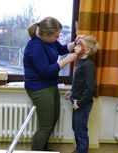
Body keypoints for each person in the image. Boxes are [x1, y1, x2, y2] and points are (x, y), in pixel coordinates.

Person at [23, 16, 77, 151]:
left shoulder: (50, 41)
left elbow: (63, 49)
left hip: (50, 85)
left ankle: (43, 150)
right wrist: (67, 60)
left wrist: (76, 43)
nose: (58, 37)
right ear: (46, 35)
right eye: (56, 35)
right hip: (38, 87)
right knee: (45, 126)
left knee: (52, 121)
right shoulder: (35, 46)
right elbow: (45, 71)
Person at [64, 35, 99, 153]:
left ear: (87, 50)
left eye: (79, 46)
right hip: (76, 101)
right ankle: (79, 149)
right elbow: (80, 83)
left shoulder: (87, 65)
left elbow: (91, 88)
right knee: (76, 128)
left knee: (81, 131)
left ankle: (81, 150)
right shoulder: (81, 61)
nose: (75, 48)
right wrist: (71, 91)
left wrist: (79, 103)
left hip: (81, 104)